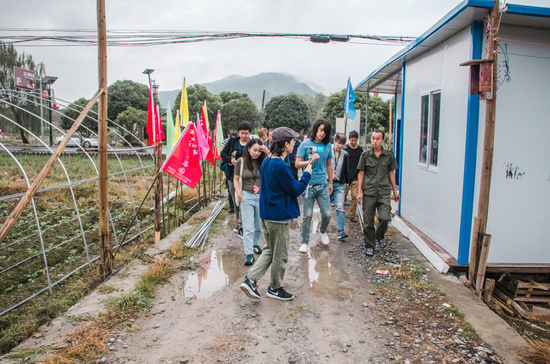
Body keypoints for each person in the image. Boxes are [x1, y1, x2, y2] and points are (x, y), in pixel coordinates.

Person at [240, 127, 312, 301]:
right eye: (292, 141)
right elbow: (296, 189)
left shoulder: (268, 160)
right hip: (277, 216)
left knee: (270, 250)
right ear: (285, 144)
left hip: (267, 213)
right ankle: (274, 287)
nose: (294, 144)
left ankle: (251, 280)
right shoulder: (279, 165)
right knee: (280, 254)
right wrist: (307, 174)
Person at [356, 130, 399, 257]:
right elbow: (361, 173)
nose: (375, 141)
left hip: (384, 192)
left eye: (378, 138)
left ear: (383, 140)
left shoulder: (389, 155)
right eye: (373, 138)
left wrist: (395, 191)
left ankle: (380, 236)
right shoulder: (365, 155)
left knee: (385, 218)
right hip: (369, 192)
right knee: (368, 221)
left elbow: (391, 173)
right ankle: (369, 245)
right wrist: (359, 192)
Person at [295, 119, 333, 253]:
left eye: (325, 131)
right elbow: (297, 164)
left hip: (323, 184)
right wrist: (309, 161)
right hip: (308, 184)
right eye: (321, 130)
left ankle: (322, 231)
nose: (323, 133)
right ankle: (304, 242)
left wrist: (331, 183)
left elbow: (329, 165)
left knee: (327, 214)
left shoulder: (328, 146)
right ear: (316, 129)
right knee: (307, 215)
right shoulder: (305, 144)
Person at [234, 139, 267, 265]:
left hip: (260, 197)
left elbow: (269, 176)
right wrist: (239, 193)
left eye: (259, 150)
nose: (257, 153)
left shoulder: (264, 162)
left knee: (259, 227)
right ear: (248, 149)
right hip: (246, 196)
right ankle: (249, 254)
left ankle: (255, 243)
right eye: (254, 150)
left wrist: (260, 187)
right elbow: (236, 179)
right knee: (248, 228)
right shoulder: (241, 162)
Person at [221, 122, 251, 238]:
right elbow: (223, 153)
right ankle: (240, 223)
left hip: (246, 176)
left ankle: (242, 225)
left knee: (244, 200)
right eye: (242, 133)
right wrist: (230, 160)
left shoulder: (251, 143)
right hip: (233, 175)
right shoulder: (232, 141)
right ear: (239, 133)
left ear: (249, 133)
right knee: (236, 201)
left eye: (246, 133)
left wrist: (237, 154)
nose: (244, 136)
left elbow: (252, 154)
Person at [330, 133, 350, 240]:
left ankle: (341, 231)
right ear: (334, 141)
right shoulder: (328, 150)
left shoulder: (345, 154)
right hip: (327, 183)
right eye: (338, 143)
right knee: (326, 209)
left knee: (340, 207)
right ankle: (323, 228)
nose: (340, 145)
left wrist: (347, 182)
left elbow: (346, 170)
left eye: (342, 144)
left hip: (340, 184)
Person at [344, 131, 364, 222]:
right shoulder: (345, 149)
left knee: (354, 196)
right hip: (345, 176)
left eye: (355, 140)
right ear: (349, 139)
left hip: (356, 176)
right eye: (352, 140)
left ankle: (352, 214)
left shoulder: (360, 150)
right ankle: (340, 210)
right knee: (342, 196)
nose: (354, 142)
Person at [221, 130, 236, 213]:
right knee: (231, 191)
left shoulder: (240, 144)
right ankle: (232, 207)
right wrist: (230, 160)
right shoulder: (226, 142)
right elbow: (222, 154)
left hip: (238, 172)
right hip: (229, 171)